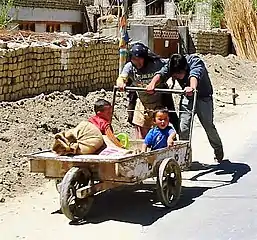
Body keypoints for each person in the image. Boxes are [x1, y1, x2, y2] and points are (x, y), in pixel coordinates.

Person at [157, 53, 224, 162]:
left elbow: (195, 74)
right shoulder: (171, 64)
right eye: (175, 75)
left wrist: (192, 88)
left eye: (179, 74)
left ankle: (218, 149)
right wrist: (152, 84)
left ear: (185, 68)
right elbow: (162, 73)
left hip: (203, 98)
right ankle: (184, 158)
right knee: (183, 128)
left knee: (208, 126)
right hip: (188, 98)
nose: (177, 77)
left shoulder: (195, 61)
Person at [116, 43, 179, 139]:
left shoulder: (157, 64)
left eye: (139, 59)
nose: (137, 62)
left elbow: (171, 65)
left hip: (160, 102)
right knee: (140, 131)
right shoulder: (129, 67)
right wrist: (121, 83)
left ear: (145, 58)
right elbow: (122, 77)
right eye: (134, 59)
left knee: (163, 130)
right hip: (142, 102)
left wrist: (172, 78)